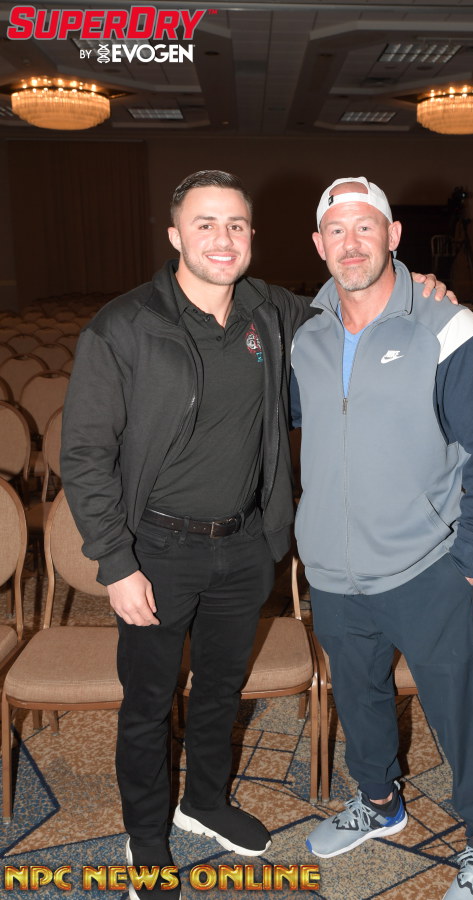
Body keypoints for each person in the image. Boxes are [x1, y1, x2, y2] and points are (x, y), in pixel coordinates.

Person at [60, 169, 449, 900]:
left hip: (243, 546)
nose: (223, 238)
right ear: (175, 235)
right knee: (147, 703)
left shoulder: (270, 310)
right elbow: (83, 455)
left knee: (221, 688)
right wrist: (115, 562)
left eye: (235, 225)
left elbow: (352, 296)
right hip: (154, 550)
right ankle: (147, 839)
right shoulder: (124, 325)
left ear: (251, 236)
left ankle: (204, 801)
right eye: (205, 224)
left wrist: (417, 286)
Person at [290, 178, 473, 899]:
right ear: (319, 245)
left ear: (393, 236)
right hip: (333, 567)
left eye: (366, 228)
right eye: (336, 231)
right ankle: (380, 802)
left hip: (427, 566)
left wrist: (467, 560)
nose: (351, 244)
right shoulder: (306, 336)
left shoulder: (449, 328)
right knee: (359, 697)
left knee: (459, 710)